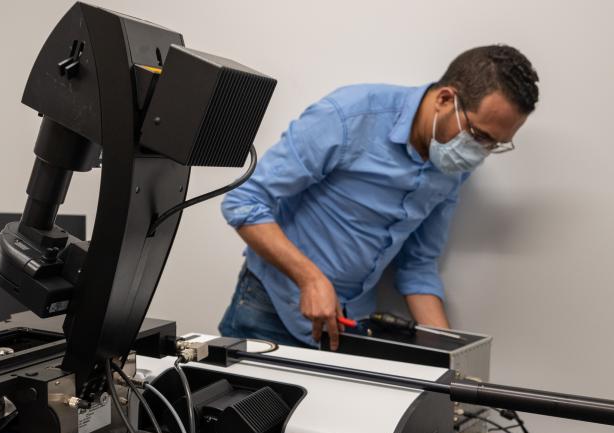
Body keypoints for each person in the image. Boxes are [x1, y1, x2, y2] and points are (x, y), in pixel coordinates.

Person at [219, 45, 539, 350]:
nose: (480, 153)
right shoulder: (350, 116)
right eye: (479, 136)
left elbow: (417, 265)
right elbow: (244, 202)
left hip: (350, 325)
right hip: (270, 311)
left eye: (495, 144)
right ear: (445, 99)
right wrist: (310, 278)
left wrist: (450, 357)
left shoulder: (454, 164)